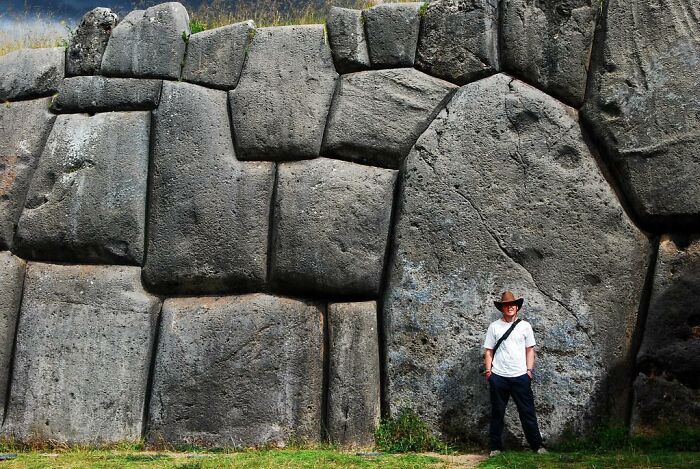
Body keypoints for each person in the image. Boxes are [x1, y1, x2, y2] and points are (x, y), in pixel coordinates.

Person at [483, 290, 546, 456]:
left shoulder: (525, 326)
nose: (509, 307)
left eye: (512, 304)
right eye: (506, 305)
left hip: (520, 376)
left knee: (528, 412)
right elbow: (488, 351)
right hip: (499, 376)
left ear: (517, 307)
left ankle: (537, 446)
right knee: (497, 412)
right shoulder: (494, 327)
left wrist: (529, 371)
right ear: (502, 308)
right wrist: (489, 372)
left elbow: (530, 350)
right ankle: (495, 447)